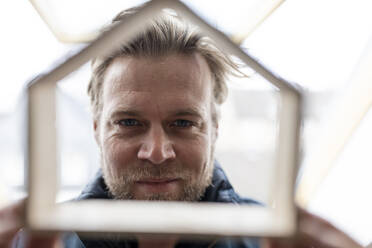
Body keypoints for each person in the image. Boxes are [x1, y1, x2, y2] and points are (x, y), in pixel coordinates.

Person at [0, 3, 364, 248]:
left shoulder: (270, 240)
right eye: (128, 122)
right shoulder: (35, 240)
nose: (157, 152)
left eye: (183, 122)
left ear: (215, 129)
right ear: (97, 128)